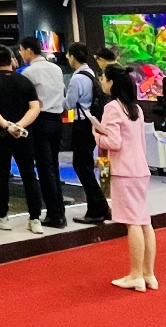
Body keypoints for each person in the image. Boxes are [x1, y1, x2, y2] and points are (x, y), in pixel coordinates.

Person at [91, 64, 154, 291]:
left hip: (124, 171)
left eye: (103, 78)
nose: (101, 81)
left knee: (133, 222)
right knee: (144, 221)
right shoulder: (135, 108)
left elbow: (114, 142)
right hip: (140, 169)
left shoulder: (112, 108)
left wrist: (97, 135)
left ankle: (136, 274)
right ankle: (148, 273)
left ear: (111, 82)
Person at [0, 45, 43, 233]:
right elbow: (35, 108)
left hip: (1, 135)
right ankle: (35, 218)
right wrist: (20, 126)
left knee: (1, 176)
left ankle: (2, 217)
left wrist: (6, 126)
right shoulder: (24, 81)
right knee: (29, 175)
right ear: (11, 60)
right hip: (23, 135)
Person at [18, 36, 67, 228]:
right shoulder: (56, 69)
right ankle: (59, 211)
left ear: (29, 51)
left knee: (45, 169)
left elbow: (26, 101)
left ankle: (54, 215)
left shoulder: (29, 73)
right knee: (53, 166)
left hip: (40, 121)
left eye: (21, 50)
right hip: (57, 120)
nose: (20, 54)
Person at [65, 42, 110, 224]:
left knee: (81, 167)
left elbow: (68, 104)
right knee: (85, 166)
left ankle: (96, 209)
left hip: (81, 125)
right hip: (91, 124)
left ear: (73, 57)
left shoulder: (76, 79)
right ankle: (101, 206)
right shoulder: (90, 73)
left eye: (68, 55)